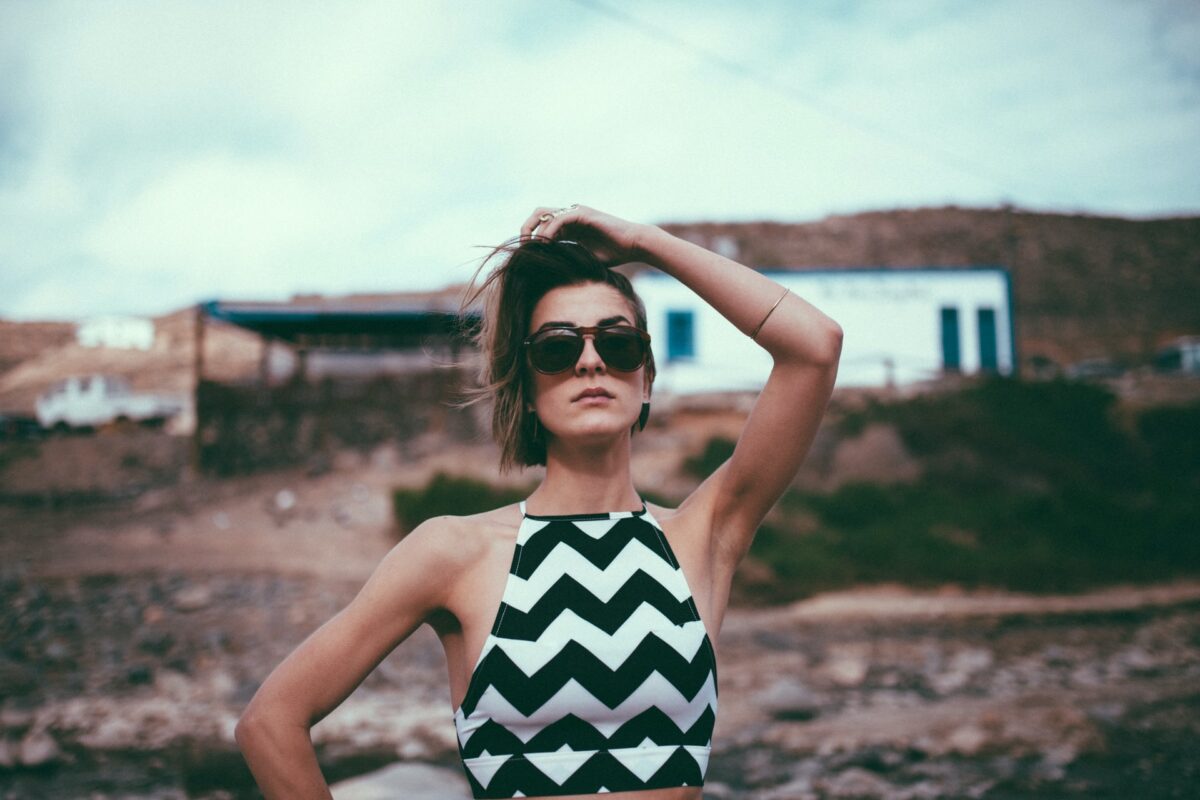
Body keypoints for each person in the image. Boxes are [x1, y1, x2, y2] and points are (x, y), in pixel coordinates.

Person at [234, 205, 843, 799]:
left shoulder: (701, 536)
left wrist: (644, 243)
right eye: (557, 347)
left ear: (647, 379)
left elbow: (815, 345)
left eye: (618, 343)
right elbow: (270, 723)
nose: (590, 360)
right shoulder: (455, 551)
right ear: (525, 387)